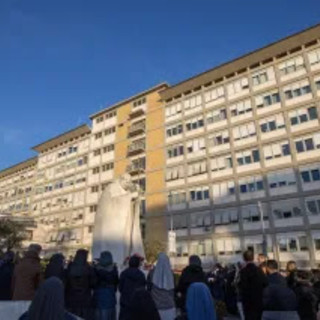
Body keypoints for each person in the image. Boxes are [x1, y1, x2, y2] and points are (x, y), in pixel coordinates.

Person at [65, 249, 96, 320]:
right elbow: (93, 283)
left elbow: (66, 282)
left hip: (71, 299)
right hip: (85, 299)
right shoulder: (88, 268)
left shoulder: (70, 266)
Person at [239, 250, 267, 320]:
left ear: (244, 258)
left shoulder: (243, 271)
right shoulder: (259, 270)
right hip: (258, 299)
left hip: (247, 301)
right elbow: (265, 283)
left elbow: (241, 285)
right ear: (253, 258)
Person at [148, 252, 175, 320]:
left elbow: (149, 287)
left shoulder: (152, 273)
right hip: (169, 305)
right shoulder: (171, 273)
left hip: (156, 305)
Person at [119, 254, 146, 320]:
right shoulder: (141, 275)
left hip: (125, 301)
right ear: (138, 264)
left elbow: (120, 288)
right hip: (137, 302)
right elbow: (143, 288)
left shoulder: (124, 273)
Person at [93, 251, 119, 320]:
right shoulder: (114, 269)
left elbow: (93, 283)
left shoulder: (96, 269)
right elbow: (116, 283)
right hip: (111, 298)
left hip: (99, 298)